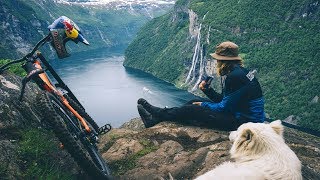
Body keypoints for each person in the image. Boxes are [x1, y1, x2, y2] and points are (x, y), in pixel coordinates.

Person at [137, 41, 265, 130]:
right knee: (194, 101)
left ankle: (158, 113)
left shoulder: (234, 77)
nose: (216, 62)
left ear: (223, 60)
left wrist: (202, 105)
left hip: (244, 123)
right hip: (242, 115)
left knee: (192, 109)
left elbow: (223, 107)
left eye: (217, 59)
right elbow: (225, 100)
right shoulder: (240, 71)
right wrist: (207, 90)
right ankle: (156, 119)